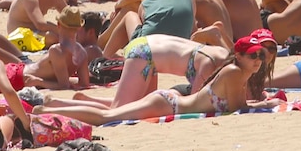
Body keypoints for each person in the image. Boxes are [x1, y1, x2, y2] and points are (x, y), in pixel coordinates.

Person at [32, 35, 276, 124]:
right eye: (254, 55)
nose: (259, 60)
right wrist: (262, 105)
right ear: (239, 56)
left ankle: (57, 105)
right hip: (162, 92)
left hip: (152, 63)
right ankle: (48, 110)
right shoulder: (232, 71)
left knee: (118, 110)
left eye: (261, 56)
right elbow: (237, 108)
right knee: (110, 116)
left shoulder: (236, 71)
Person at [47, 36, 231, 111]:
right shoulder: (211, 63)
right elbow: (195, 101)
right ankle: (60, 104)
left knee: (138, 106)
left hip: (147, 48)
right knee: (119, 111)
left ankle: (85, 100)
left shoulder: (222, 52)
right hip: (145, 56)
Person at [101, 0, 196, 57]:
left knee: (130, 15)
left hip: (146, 52)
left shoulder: (146, 3)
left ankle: (105, 56)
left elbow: (145, 25)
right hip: (179, 50)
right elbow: (193, 27)